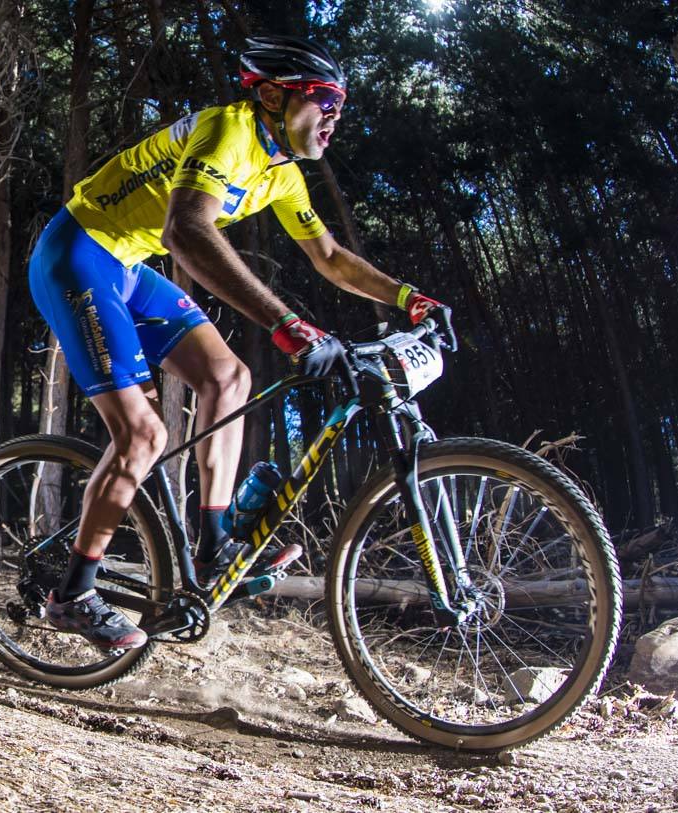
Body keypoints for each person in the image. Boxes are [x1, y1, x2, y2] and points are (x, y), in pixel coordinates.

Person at [27, 35, 449, 651]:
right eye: (324, 101)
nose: (335, 117)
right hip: (77, 255)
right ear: (275, 95)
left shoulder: (283, 173)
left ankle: (214, 540)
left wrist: (409, 297)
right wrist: (286, 323)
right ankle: (72, 595)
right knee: (144, 435)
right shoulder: (230, 130)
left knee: (230, 378)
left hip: (127, 266)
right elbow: (187, 231)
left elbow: (330, 257)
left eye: (341, 106)